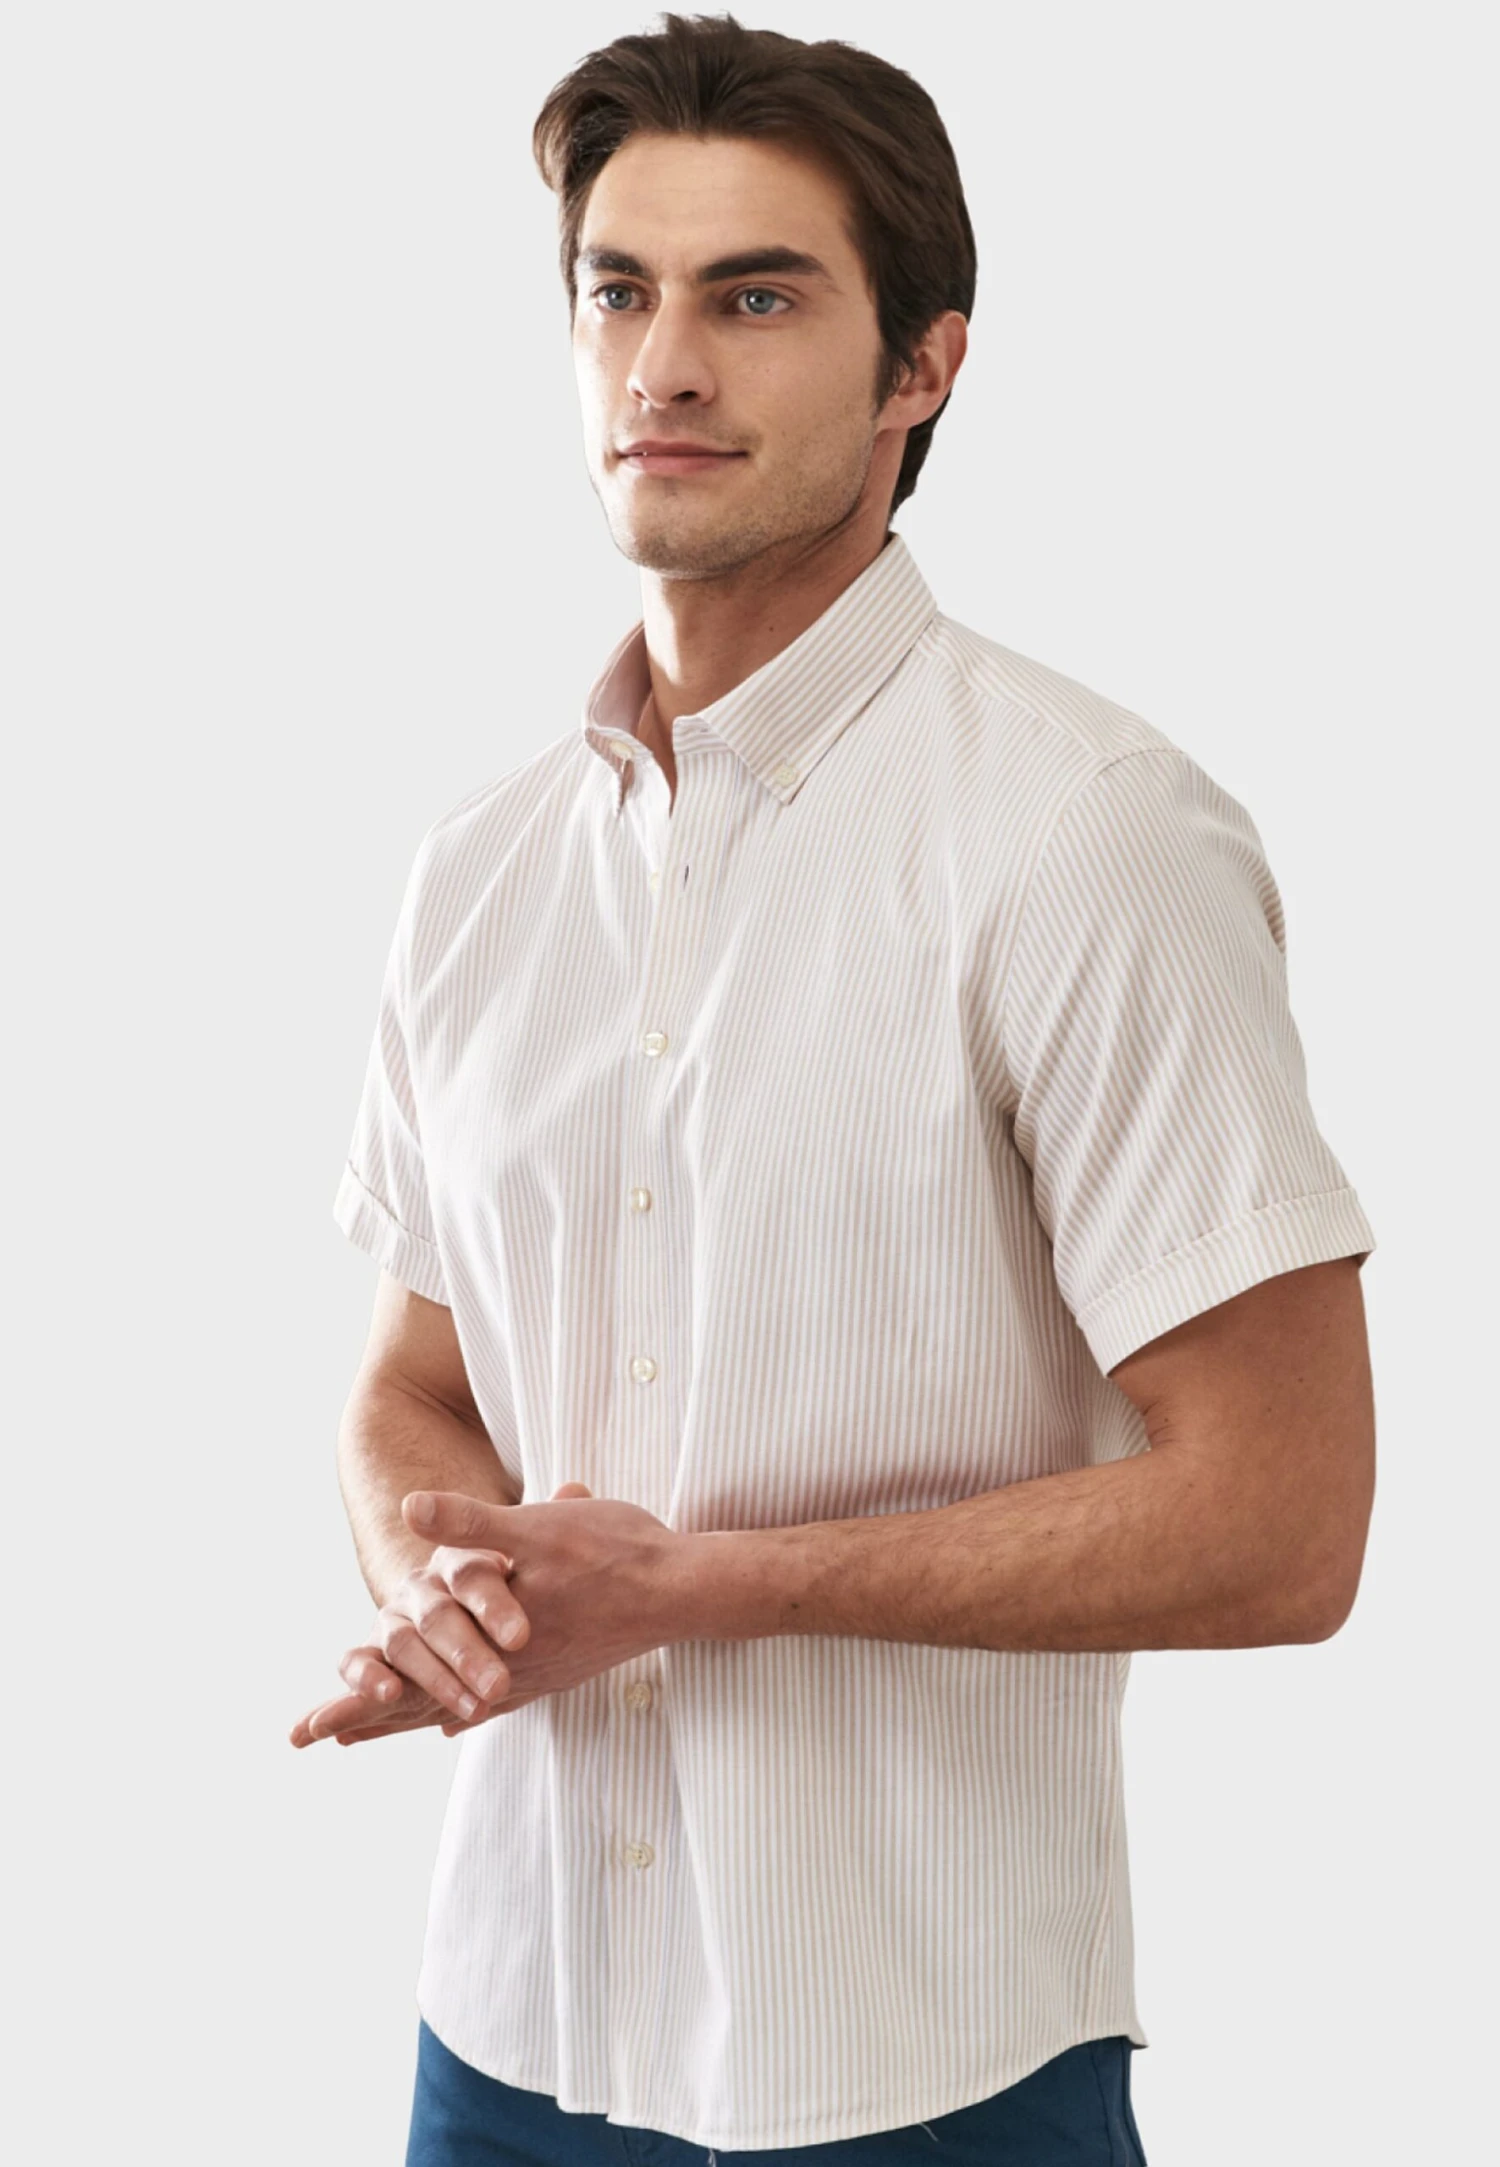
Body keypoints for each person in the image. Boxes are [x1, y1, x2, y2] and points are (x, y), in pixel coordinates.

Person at [290, 15, 1378, 2164]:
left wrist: (711, 1584)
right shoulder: (478, 873)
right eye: (620, 289)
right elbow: (411, 1385)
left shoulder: (1088, 833)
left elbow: (1283, 1517)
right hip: (505, 2034)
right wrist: (443, 1578)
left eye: (758, 297)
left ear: (923, 369)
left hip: (924, 2065)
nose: (666, 364)